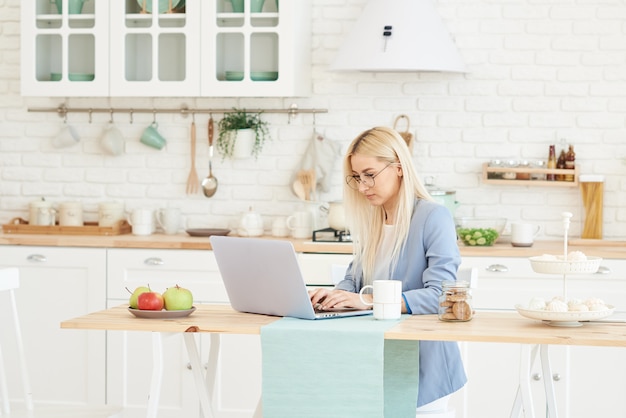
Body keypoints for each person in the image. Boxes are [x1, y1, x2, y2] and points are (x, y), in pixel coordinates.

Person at [309, 126, 467, 414]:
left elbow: (441, 296)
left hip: (422, 366)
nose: (362, 186)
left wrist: (366, 301)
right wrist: (335, 297)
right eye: (357, 177)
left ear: (398, 168)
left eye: (370, 174)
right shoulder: (374, 219)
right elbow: (353, 280)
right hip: (374, 357)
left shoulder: (433, 217)